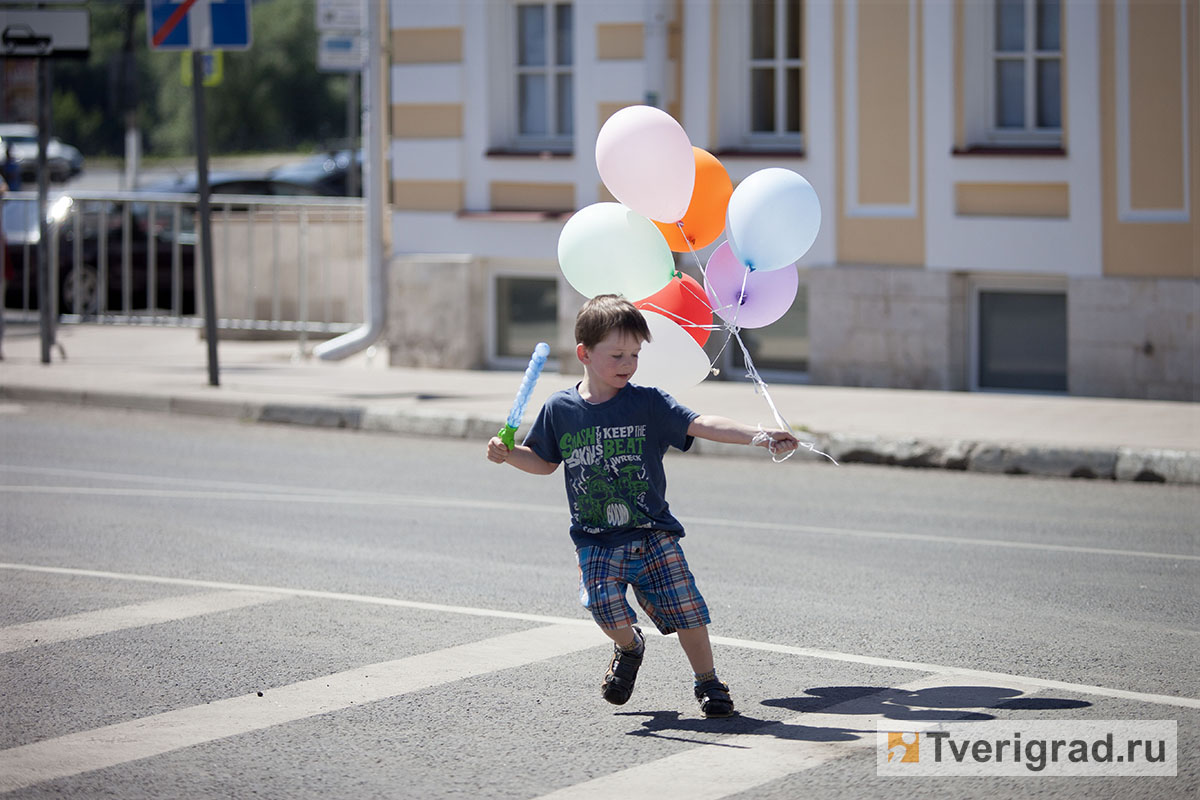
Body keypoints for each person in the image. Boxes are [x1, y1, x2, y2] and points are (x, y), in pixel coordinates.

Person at [486, 293, 798, 718]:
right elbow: (542, 462)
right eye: (616, 354)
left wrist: (758, 435)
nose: (628, 363)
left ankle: (708, 681)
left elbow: (700, 423)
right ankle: (630, 646)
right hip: (596, 539)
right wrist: (510, 456)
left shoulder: (648, 402)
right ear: (584, 353)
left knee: (688, 610)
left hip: (652, 532)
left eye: (634, 354)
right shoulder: (560, 409)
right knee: (601, 605)